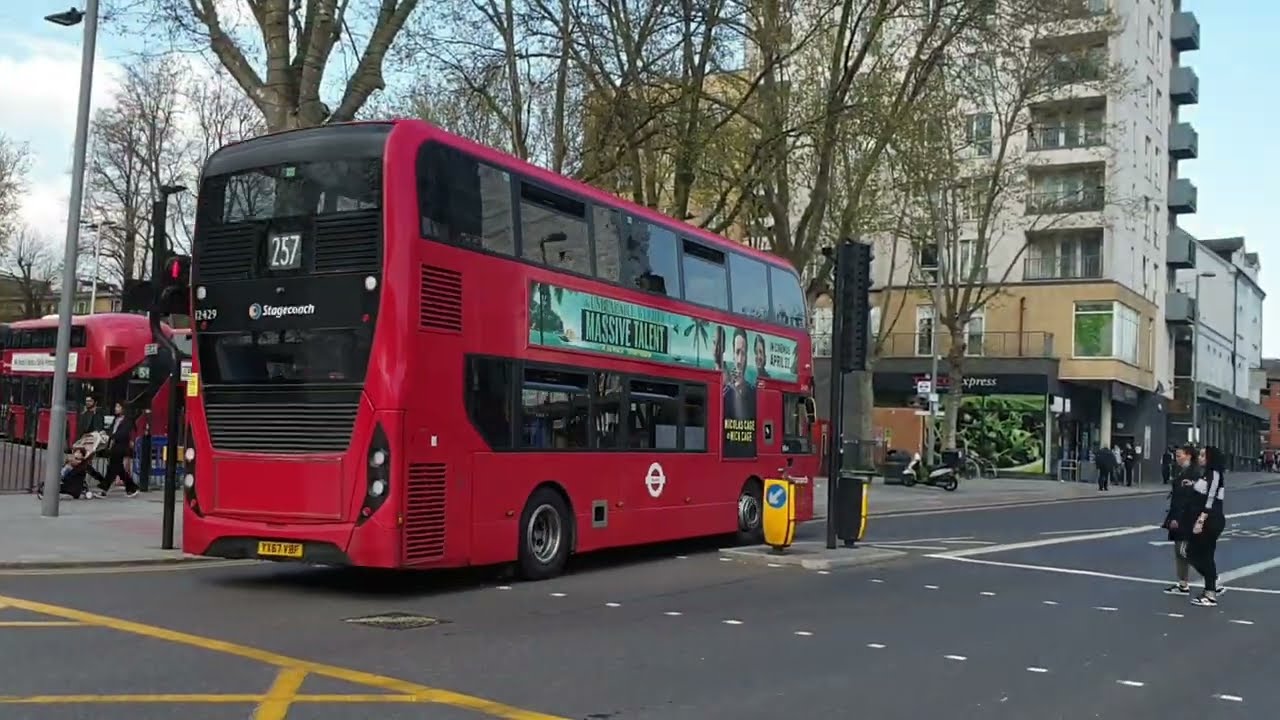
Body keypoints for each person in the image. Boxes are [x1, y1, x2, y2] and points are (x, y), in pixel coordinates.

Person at [1186, 445, 1227, 607]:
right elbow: (1204, 490)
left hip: (1210, 520)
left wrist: (1201, 520)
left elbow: (1210, 498)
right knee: (1196, 554)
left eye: (1203, 455)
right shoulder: (1207, 474)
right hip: (1207, 519)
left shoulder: (1215, 474)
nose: (1200, 458)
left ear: (1211, 458)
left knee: (1199, 555)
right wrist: (1193, 484)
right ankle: (1213, 584)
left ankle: (1210, 593)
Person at [1161, 445, 1197, 595]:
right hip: (1181, 516)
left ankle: (1212, 579)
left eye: (1179, 455)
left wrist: (1177, 518)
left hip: (1186, 518)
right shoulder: (1182, 472)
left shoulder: (1192, 474)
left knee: (1185, 551)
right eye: (1176, 456)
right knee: (1179, 550)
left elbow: (1185, 500)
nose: (1177, 458)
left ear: (1188, 456)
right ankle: (1183, 584)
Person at [93, 402, 139, 498]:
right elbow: (111, 430)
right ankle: (132, 488)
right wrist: (105, 433)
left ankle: (104, 489)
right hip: (113, 446)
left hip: (121, 447)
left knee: (112, 469)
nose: (116, 408)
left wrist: (111, 436)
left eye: (118, 406)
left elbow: (123, 434)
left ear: (124, 408)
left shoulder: (127, 420)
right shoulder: (116, 419)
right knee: (118, 469)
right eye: (116, 406)